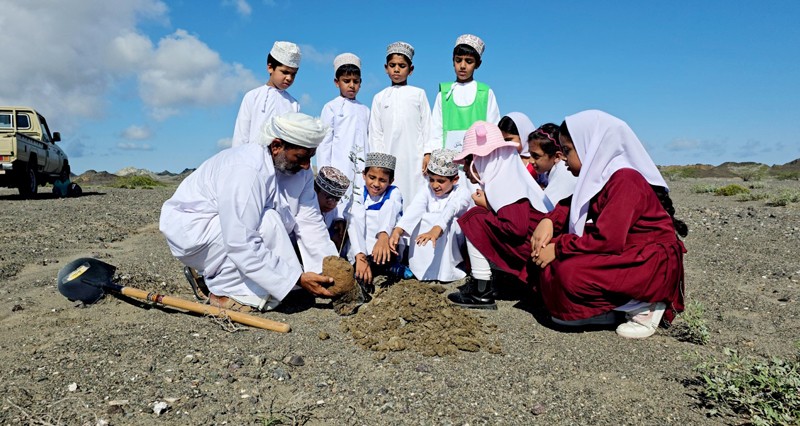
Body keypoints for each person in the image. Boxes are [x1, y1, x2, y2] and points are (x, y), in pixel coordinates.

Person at [531, 110, 688, 339]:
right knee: (551, 261)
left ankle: (644, 304)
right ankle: (608, 309)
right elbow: (572, 203)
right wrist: (549, 220)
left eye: (568, 150)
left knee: (568, 272)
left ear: (591, 146)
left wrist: (559, 247)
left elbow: (607, 240)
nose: (563, 158)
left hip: (649, 262)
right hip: (628, 250)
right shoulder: (603, 177)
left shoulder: (625, 179)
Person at [160, 112, 338, 312]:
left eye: (310, 157)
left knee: (272, 223)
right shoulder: (247, 169)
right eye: (301, 157)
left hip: (234, 231)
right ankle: (223, 290)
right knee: (269, 220)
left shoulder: (300, 172)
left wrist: (331, 269)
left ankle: (277, 286)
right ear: (276, 146)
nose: (306, 166)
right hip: (196, 233)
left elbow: (309, 221)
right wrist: (295, 278)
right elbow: (240, 240)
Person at [446, 121, 550, 309]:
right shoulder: (506, 175)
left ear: (481, 159)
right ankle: (501, 281)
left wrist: (486, 208)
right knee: (480, 216)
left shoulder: (505, 182)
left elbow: (515, 229)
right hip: (535, 248)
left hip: (534, 250)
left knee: (474, 218)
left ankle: (481, 290)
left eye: (468, 162)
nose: (465, 169)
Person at [388, 149, 472, 282]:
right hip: (428, 235)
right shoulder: (427, 189)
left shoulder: (463, 192)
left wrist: (437, 228)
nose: (435, 185)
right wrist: (398, 230)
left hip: (451, 240)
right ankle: (419, 269)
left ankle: (447, 272)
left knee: (450, 221)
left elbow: (451, 208)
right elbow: (415, 208)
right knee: (421, 218)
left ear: (455, 179)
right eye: (431, 180)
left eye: (440, 181)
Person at [368, 41, 431, 209]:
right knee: (390, 202)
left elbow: (427, 126)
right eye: (392, 65)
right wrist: (379, 162)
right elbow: (375, 132)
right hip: (388, 157)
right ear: (386, 68)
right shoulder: (379, 97)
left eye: (402, 66)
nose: (396, 69)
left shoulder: (418, 94)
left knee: (416, 197)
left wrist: (427, 153)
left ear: (411, 69)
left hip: (414, 158)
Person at [426, 34, 500, 168]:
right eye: (458, 60)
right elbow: (436, 131)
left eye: (469, 61)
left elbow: (494, 129)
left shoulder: (485, 93)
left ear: (478, 64)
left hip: (478, 164)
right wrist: (434, 157)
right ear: (452, 61)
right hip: (448, 164)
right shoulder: (444, 93)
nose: (463, 66)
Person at [317, 53, 370, 220]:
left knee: (359, 210)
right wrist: (326, 174)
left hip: (361, 168)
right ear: (337, 82)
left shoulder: (365, 110)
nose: (351, 85)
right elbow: (324, 143)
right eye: (346, 81)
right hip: (338, 167)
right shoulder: (331, 107)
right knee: (336, 212)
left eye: (355, 81)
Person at [231, 41, 301, 147]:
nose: (289, 78)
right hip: (252, 156)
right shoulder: (252, 97)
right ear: (270, 68)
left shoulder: (294, 104)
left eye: (293, 74)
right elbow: (241, 136)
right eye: (285, 72)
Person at [350, 152, 404, 281]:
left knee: (389, 206)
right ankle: (362, 261)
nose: (376, 184)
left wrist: (383, 236)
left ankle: (389, 264)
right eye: (372, 177)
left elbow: (390, 210)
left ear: (391, 181)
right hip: (363, 246)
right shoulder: (359, 193)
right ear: (364, 175)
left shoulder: (394, 192)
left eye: (382, 180)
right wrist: (360, 255)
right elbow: (355, 222)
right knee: (354, 215)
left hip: (386, 244)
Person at [527, 123, 577, 211]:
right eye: (530, 154)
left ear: (557, 156)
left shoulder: (564, 174)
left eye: (536, 156)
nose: (530, 161)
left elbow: (543, 210)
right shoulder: (554, 170)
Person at [498, 112, 537, 179]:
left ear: (523, 136)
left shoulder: (538, 162)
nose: (505, 144)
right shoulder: (502, 161)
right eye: (502, 140)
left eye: (508, 139)